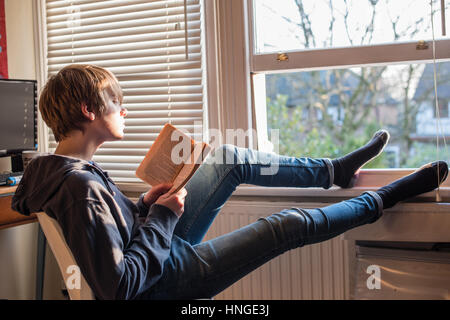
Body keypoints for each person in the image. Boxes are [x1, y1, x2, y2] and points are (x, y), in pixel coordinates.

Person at [12, 64, 448, 300]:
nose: (124, 110)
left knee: (226, 159)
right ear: (90, 111)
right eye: (116, 102)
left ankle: (332, 172)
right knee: (286, 225)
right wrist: (162, 217)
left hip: (158, 251)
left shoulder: (67, 171)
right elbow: (118, 286)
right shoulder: (78, 187)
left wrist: (145, 207)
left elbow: (111, 235)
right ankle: (385, 197)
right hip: (160, 281)